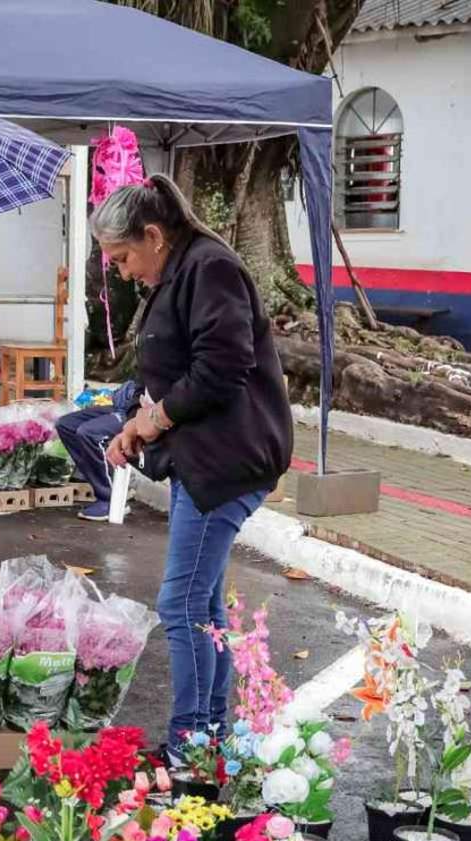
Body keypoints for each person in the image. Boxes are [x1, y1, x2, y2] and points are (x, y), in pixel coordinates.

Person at [93, 175, 292, 763]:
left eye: (124, 257)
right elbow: (171, 367)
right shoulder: (179, 271)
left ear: (154, 236)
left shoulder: (211, 268)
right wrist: (137, 418)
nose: (123, 272)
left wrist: (154, 422)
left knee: (179, 604)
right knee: (200, 604)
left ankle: (189, 744)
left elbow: (222, 366)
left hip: (226, 460)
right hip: (203, 457)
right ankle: (208, 736)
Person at [56, 380, 138, 521]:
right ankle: (101, 483)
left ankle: (110, 498)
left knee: (89, 433)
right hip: (124, 406)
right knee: (66, 425)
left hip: (141, 413)